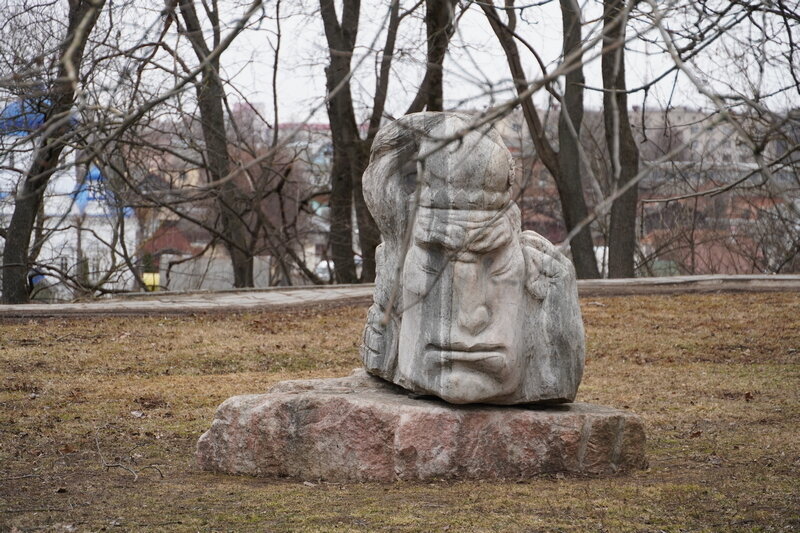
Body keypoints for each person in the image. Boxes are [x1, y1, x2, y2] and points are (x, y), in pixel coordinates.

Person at [361, 112, 585, 404]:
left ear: (531, 270)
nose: (470, 318)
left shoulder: (545, 282)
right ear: (393, 271)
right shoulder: (394, 271)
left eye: (495, 265)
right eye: (432, 265)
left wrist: (557, 333)